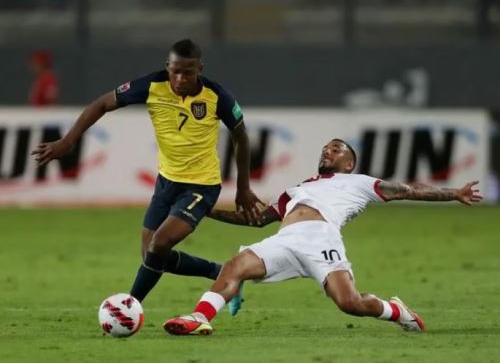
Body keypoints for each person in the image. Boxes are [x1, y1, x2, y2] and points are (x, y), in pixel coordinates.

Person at [163, 138, 483, 335]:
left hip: (322, 240)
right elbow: (257, 219)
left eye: (335, 149)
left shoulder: (358, 182)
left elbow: (408, 190)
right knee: (234, 265)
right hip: (285, 240)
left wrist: (454, 192)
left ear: (349, 162)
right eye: (325, 149)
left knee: (350, 303)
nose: (327, 151)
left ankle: (397, 311)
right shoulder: (296, 190)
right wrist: (206, 210)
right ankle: (198, 318)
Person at [31, 39, 264, 306]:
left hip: (202, 186)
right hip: (166, 182)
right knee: (151, 256)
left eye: (188, 72)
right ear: (167, 66)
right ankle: (222, 272)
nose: (180, 78)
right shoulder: (152, 86)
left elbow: (241, 136)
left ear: (200, 68)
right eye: (175, 70)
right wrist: (67, 142)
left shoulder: (217, 96)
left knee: (160, 244)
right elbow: (101, 104)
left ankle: (129, 306)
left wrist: (243, 188)